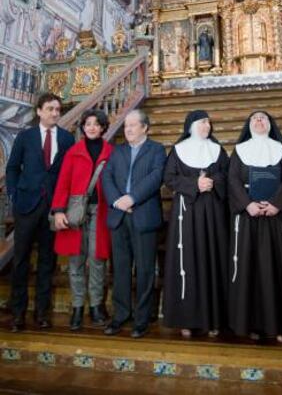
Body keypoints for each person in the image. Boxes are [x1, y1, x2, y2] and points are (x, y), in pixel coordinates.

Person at [228, 111, 282, 341]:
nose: (259, 121)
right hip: (249, 219)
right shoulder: (240, 152)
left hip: (277, 219)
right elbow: (232, 180)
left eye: (263, 118)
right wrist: (247, 204)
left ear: (270, 124)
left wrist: (276, 204)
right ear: (248, 125)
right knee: (251, 269)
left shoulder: (281, 150)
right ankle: (254, 324)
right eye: (254, 119)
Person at [6, 93, 75, 332]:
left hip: (53, 209)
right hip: (26, 206)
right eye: (50, 109)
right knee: (21, 261)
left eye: (58, 109)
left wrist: (62, 205)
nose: (55, 113)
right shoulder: (25, 137)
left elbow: (68, 173)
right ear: (39, 111)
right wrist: (14, 194)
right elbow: (13, 167)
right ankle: (18, 314)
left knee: (47, 262)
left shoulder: (67, 138)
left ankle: (42, 313)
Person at [163, 110, 229, 337]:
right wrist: (194, 184)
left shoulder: (217, 150)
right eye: (202, 123)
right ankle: (187, 319)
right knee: (188, 262)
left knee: (214, 259)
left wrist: (212, 182)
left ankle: (215, 319)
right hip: (187, 213)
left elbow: (227, 175)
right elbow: (169, 178)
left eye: (209, 123)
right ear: (191, 125)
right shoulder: (179, 150)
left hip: (213, 213)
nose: (207, 126)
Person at [102, 109, 166, 338]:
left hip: (143, 216)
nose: (127, 129)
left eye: (132, 125)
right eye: (126, 125)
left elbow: (156, 177)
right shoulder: (117, 151)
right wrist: (118, 201)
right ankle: (120, 315)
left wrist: (132, 198)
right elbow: (106, 177)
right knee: (120, 269)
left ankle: (142, 319)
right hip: (119, 216)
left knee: (145, 270)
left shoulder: (157, 150)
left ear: (145, 127)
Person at [50, 109, 113, 331]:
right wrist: (58, 210)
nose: (92, 127)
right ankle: (77, 307)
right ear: (83, 127)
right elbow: (63, 183)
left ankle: (96, 305)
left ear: (103, 127)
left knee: (97, 259)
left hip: (101, 210)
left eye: (96, 124)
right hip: (75, 211)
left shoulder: (111, 152)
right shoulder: (73, 152)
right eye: (88, 124)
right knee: (76, 260)